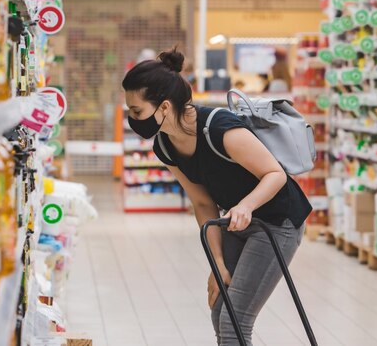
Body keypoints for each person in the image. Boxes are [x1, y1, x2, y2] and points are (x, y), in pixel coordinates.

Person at [122, 48, 312, 346]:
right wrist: (217, 263)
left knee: (235, 318)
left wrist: (246, 206)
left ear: (164, 107)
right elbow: (202, 203)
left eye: (137, 111)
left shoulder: (220, 128)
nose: (133, 119)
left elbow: (275, 174)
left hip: (278, 220)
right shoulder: (165, 145)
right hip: (234, 222)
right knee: (219, 310)